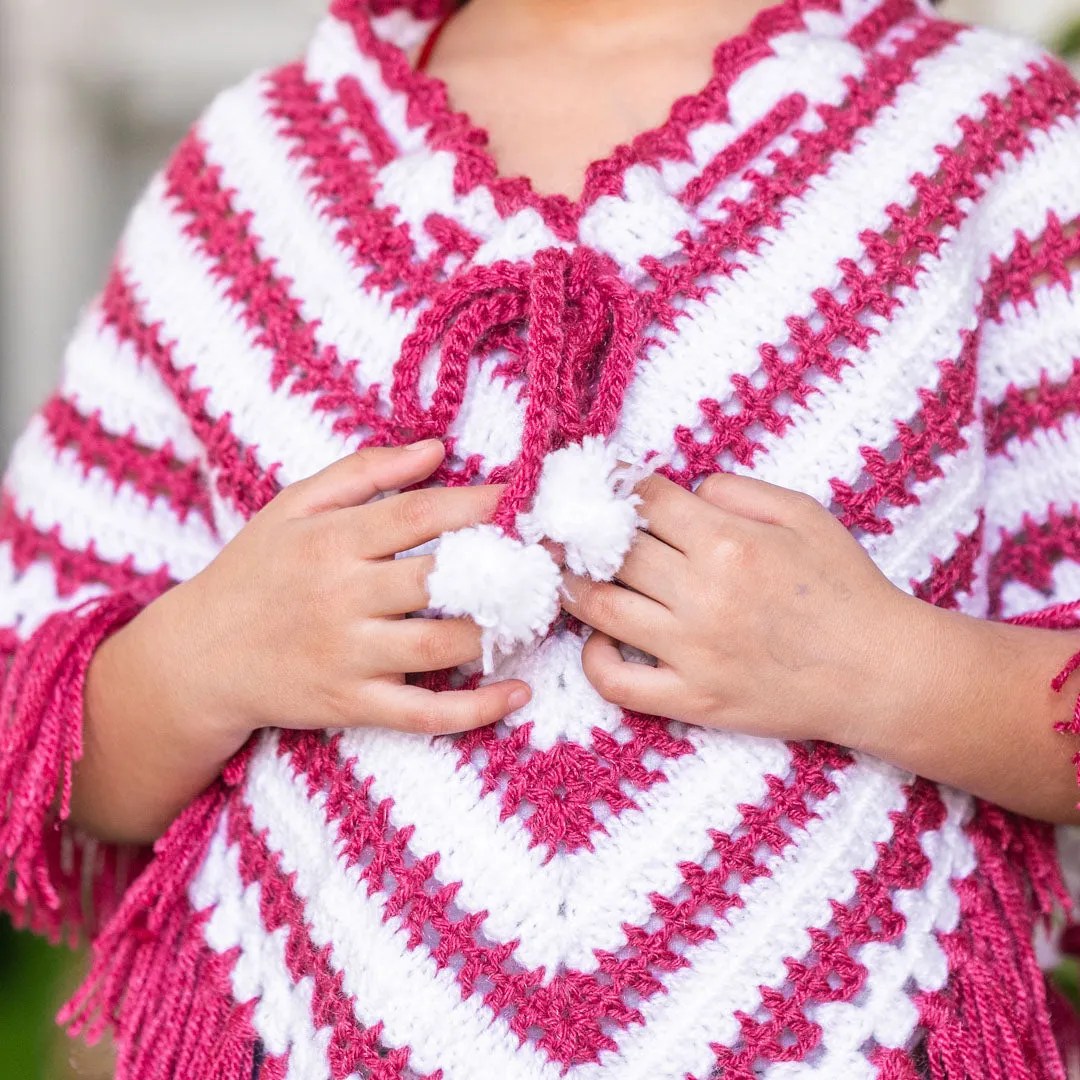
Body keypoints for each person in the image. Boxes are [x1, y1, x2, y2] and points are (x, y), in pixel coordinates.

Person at [2, 0, 1080, 1075]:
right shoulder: (253, 173)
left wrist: (886, 672)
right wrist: (208, 660)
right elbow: (34, 743)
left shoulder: (987, 139)